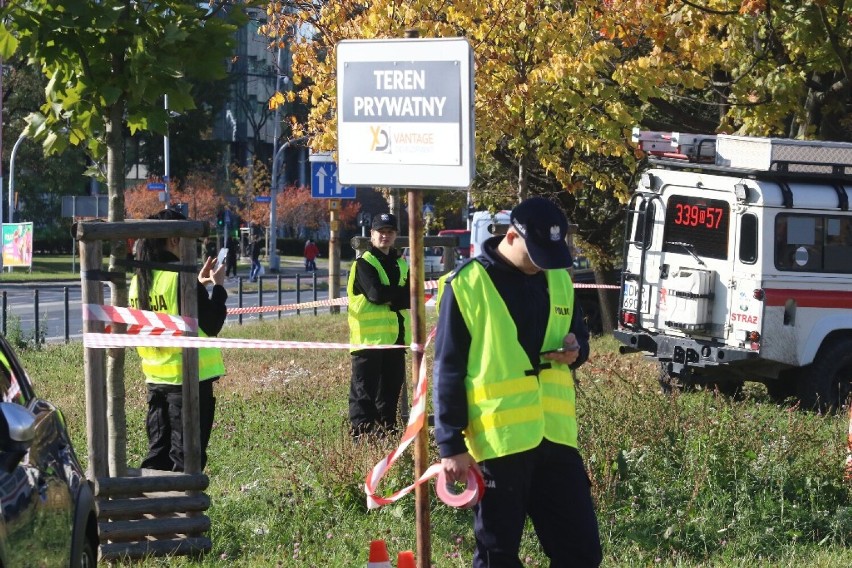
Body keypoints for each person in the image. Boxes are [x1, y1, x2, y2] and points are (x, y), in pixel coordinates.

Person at [433, 197, 602, 567]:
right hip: (499, 444)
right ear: (511, 236)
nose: (544, 263)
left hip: (556, 438)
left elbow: (577, 336)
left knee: (582, 551)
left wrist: (577, 349)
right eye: (537, 253)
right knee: (497, 556)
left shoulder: (557, 276)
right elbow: (448, 368)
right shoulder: (468, 284)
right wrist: (450, 444)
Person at [128, 208, 228, 472]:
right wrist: (218, 286)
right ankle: (182, 511)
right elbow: (213, 323)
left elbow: (174, 311)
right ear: (174, 240)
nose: (192, 249)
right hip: (188, 383)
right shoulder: (179, 278)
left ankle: (153, 509)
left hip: (156, 383)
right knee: (187, 462)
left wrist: (198, 285)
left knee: (158, 459)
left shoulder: (140, 280)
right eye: (190, 241)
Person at [346, 212, 411, 439]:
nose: (385, 236)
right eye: (380, 232)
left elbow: (411, 297)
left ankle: (387, 435)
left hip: (396, 339)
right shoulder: (364, 263)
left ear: (395, 235)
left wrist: (392, 295)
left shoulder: (401, 264)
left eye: (389, 232)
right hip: (368, 341)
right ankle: (362, 436)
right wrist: (398, 295)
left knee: (390, 394)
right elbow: (375, 294)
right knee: (364, 394)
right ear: (372, 234)